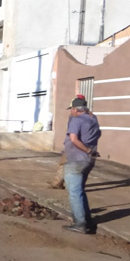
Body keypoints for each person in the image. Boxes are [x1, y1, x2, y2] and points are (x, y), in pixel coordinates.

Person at [62, 96, 101, 234]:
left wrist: (87, 149)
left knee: (74, 193)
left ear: (74, 109)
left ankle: (79, 223)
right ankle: (87, 220)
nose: (71, 112)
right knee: (80, 191)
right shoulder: (93, 120)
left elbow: (73, 139)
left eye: (71, 110)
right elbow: (99, 134)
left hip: (76, 160)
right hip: (88, 161)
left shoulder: (76, 120)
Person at [49, 94, 90, 189]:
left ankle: (58, 183)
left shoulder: (75, 116)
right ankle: (67, 184)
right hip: (78, 144)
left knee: (65, 164)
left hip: (74, 144)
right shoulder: (86, 117)